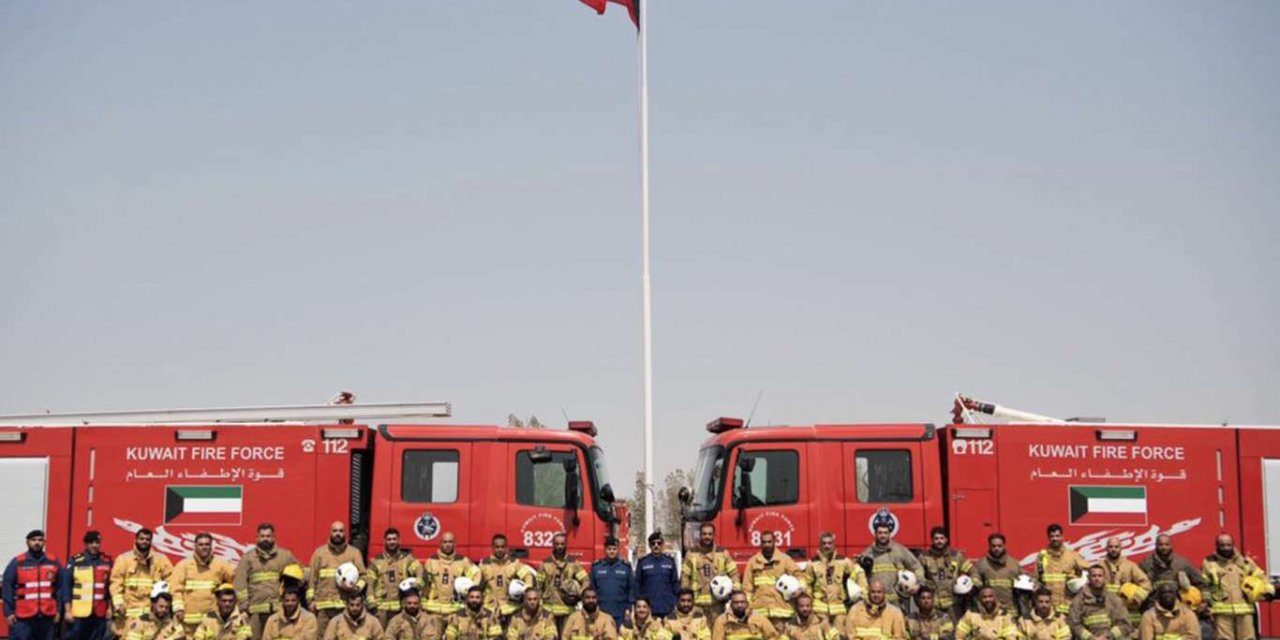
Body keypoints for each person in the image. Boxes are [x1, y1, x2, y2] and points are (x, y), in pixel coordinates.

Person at [237, 523, 302, 639]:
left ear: (274, 538)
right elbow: (240, 583)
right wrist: (243, 607)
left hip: (278, 610)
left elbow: (300, 573)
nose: (265, 539)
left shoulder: (285, 556)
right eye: (262, 536)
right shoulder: (248, 558)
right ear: (257, 538)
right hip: (255, 612)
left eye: (268, 536)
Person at [1201, 533, 1269, 640]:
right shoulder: (1209, 563)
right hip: (1221, 610)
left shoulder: (1245, 562)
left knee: (1247, 638)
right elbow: (1204, 584)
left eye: (1228, 545)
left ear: (1233, 545)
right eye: (1222, 545)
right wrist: (1207, 602)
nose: (1226, 548)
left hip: (1245, 609)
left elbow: (1260, 576)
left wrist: (1267, 590)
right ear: (1217, 545)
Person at [110, 528, 174, 637]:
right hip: (128, 616)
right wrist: (118, 603)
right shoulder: (123, 559)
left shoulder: (161, 560)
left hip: (153, 617)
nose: (144, 541)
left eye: (147, 539)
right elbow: (116, 583)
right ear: (135, 540)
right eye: (142, 539)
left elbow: (172, 581)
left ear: (151, 541)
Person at [173, 532, 237, 637]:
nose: (204, 547)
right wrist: (179, 608)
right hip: (189, 622)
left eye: (207, 544)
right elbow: (176, 590)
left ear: (211, 546)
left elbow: (236, 579)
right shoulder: (183, 565)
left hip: (211, 621)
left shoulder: (220, 565)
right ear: (195, 546)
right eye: (201, 544)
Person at [3, 530, 62, 640]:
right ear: (27, 542)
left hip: (47, 616)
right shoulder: (18, 562)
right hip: (23, 617)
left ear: (44, 542)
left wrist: (59, 610)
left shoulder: (53, 561)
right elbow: (7, 587)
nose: (37, 543)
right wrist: (8, 612)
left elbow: (60, 588)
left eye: (40, 540)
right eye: (33, 540)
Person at [309, 522, 366, 638]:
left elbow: (364, 576)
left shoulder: (354, 553)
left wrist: (356, 588)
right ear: (330, 533)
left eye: (340, 531)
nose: (338, 534)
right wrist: (311, 600)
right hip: (324, 607)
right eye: (335, 531)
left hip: (345, 606)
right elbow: (312, 579)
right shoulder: (319, 553)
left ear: (345, 533)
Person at [804, 532, 865, 627]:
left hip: (839, 608)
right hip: (819, 609)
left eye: (829, 543)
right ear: (819, 544)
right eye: (824, 543)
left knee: (840, 635)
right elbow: (806, 584)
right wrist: (807, 604)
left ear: (834, 544)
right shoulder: (812, 564)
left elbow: (858, 574)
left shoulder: (844, 562)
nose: (827, 546)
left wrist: (863, 593)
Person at [681, 525, 738, 622]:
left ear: (714, 535)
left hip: (718, 605)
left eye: (709, 534)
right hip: (697, 606)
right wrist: (686, 600)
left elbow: (734, 574)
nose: (707, 536)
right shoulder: (691, 554)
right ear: (700, 535)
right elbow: (684, 578)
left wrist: (735, 595)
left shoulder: (723, 553)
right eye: (704, 534)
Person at [368, 529, 424, 627]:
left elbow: (420, 570)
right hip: (382, 610)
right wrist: (372, 606)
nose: (392, 542)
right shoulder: (376, 561)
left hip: (400, 609)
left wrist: (418, 583)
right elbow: (370, 585)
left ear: (399, 541)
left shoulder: (407, 559)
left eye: (394, 539)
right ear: (384, 541)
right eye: (389, 539)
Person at [62, 531, 112, 640]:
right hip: (79, 612)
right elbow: (66, 588)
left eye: (97, 542)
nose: (94, 545)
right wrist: (67, 610)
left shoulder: (107, 562)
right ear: (85, 544)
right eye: (91, 542)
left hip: (99, 612)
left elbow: (110, 588)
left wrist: (110, 608)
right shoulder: (76, 561)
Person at [742, 531, 800, 622]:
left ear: (774, 541)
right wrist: (748, 606)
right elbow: (747, 588)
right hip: (760, 611)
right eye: (764, 542)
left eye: (769, 542)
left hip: (782, 611)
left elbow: (799, 576)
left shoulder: (785, 560)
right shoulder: (753, 562)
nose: (767, 545)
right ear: (760, 543)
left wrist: (799, 590)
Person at [918, 528, 975, 620]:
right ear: (932, 540)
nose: (939, 541)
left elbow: (972, 570)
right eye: (936, 539)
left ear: (946, 539)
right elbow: (918, 573)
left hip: (953, 604)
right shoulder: (924, 557)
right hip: (933, 604)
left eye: (941, 538)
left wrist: (972, 585)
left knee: (955, 631)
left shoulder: (956, 556)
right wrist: (924, 583)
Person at [859, 525, 923, 607]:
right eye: (880, 533)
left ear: (890, 534)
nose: (883, 535)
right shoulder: (868, 553)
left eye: (885, 533)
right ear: (875, 534)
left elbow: (917, 567)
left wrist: (918, 584)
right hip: (876, 603)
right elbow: (859, 576)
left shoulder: (900, 550)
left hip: (899, 603)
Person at [424, 532, 479, 624]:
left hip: (454, 611)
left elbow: (477, 574)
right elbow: (424, 584)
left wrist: (469, 591)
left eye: (450, 542)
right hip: (434, 611)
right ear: (440, 544)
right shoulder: (431, 561)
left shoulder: (462, 560)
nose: (447, 544)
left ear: (455, 544)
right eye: (445, 542)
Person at [1098, 538, 1151, 632]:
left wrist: (1135, 599)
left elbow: (1146, 584)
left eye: (1116, 547)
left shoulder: (1130, 566)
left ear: (1121, 548)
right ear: (1106, 548)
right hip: (1106, 613)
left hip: (1128, 614)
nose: (1113, 549)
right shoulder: (1099, 566)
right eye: (1110, 547)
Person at [480, 534, 537, 619]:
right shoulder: (484, 564)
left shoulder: (514, 563)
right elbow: (476, 583)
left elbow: (528, 575)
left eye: (502, 547)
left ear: (506, 548)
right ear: (492, 547)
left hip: (509, 609)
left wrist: (527, 588)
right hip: (489, 609)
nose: (500, 549)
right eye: (497, 547)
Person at [539, 533, 589, 629]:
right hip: (549, 611)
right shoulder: (545, 564)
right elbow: (538, 586)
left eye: (562, 544)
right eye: (557, 544)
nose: (559, 546)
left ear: (566, 544)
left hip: (567, 611)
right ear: (553, 545)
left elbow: (585, 580)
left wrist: (579, 593)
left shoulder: (573, 563)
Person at [1036, 525, 1088, 616]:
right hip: (1048, 608)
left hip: (1068, 607)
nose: (1055, 538)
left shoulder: (1072, 555)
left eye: (1057, 536)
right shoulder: (1042, 556)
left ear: (1062, 537)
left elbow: (1090, 570)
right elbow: (1036, 580)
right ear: (1049, 537)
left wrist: (1079, 582)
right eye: (1052, 536)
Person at [1067, 566, 1130, 640]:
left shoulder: (1114, 599)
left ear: (1104, 578)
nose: (1097, 579)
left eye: (1100, 576)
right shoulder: (1078, 600)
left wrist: (1108, 636)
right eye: (1094, 576)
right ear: (1088, 578)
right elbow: (1074, 624)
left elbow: (1124, 624)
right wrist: (1091, 638)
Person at [1137, 536, 1202, 599]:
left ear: (1171, 545)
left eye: (1166, 544)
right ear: (1156, 545)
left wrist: (1204, 600)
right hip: (1153, 603)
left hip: (1178, 604)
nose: (1164, 547)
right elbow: (1136, 585)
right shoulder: (1146, 564)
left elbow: (1201, 583)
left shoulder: (1182, 564)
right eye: (1161, 545)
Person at [589, 537, 635, 628]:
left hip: (621, 612)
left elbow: (632, 589)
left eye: (614, 549)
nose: (612, 552)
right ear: (605, 550)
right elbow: (592, 589)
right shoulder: (596, 567)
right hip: (601, 610)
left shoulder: (625, 567)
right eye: (609, 549)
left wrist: (629, 608)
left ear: (618, 550)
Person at [972, 534, 1023, 615]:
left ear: (1004, 546)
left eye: (999, 546)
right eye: (994, 546)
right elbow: (975, 577)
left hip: (1010, 611)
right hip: (988, 611)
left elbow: (1025, 581)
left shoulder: (1014, 564)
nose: (996, 548)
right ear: (989, 546)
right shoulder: (981, 564)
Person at [636, 533, 679, 619]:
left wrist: (675, 603)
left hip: (667, 608)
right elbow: (637, 585)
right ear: (649, 545)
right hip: (648, 609)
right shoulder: (643, 562)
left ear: (663, 545)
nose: (656, 546)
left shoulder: (670, 562)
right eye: (653, 543)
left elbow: (675, 584)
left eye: (659, 543)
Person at [711, 591, 776, 640]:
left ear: (747, 603)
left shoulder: (759, 618)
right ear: (731, 604)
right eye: (736, 602)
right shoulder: (722, 621)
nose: (739, 605)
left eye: (742, 602)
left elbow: (773, 636)